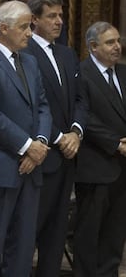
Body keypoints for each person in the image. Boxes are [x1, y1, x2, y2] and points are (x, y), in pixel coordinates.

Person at [0, 0, 52, 277]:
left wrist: (39, 141)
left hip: (31, 168)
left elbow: (42, 106)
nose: (30, 32)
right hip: (0, 166)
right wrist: (28, 148)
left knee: (24, 245)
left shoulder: (29, 61)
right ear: (3, 28)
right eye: (24, 27)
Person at [22, 0, 88, 277]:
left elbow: (81, 100)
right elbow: (31, 107)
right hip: (42, 156)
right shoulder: (24, 53)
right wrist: (60, 138)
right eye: (52, 16)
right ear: (34, 19)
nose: (59, 21)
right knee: (28, 232)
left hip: (68, 159)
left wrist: (76, 131)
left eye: (61, 15)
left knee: (57, 234)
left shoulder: (66, 53)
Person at [74, 22, 126, 277]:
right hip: (95, 165)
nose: (117, 46)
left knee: (115, 232)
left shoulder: (124, 72)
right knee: (89, 232)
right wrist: (116, 143)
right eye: (110, 42)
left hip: (122, 169)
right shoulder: (81, 74)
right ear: (93, 47)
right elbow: (84, 116)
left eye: (117, 41)